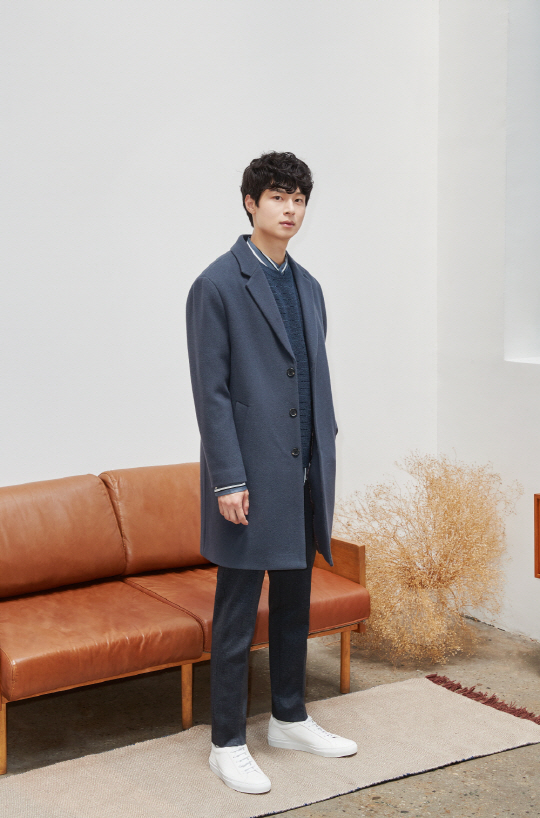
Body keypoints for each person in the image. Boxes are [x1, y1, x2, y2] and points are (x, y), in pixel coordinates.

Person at [186, 151, 356, 795]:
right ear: (250, 203)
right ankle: (226, 743)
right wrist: (228, 479)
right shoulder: (216, 284)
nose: (290, 209)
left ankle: (288, 717)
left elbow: (309, 377)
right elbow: (212, 393)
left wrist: (322, 455)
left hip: (304, 471)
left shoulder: (308, 285)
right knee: (236, 612)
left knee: (293, 604)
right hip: (250, 478)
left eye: (299, 199)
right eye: (278, 197)